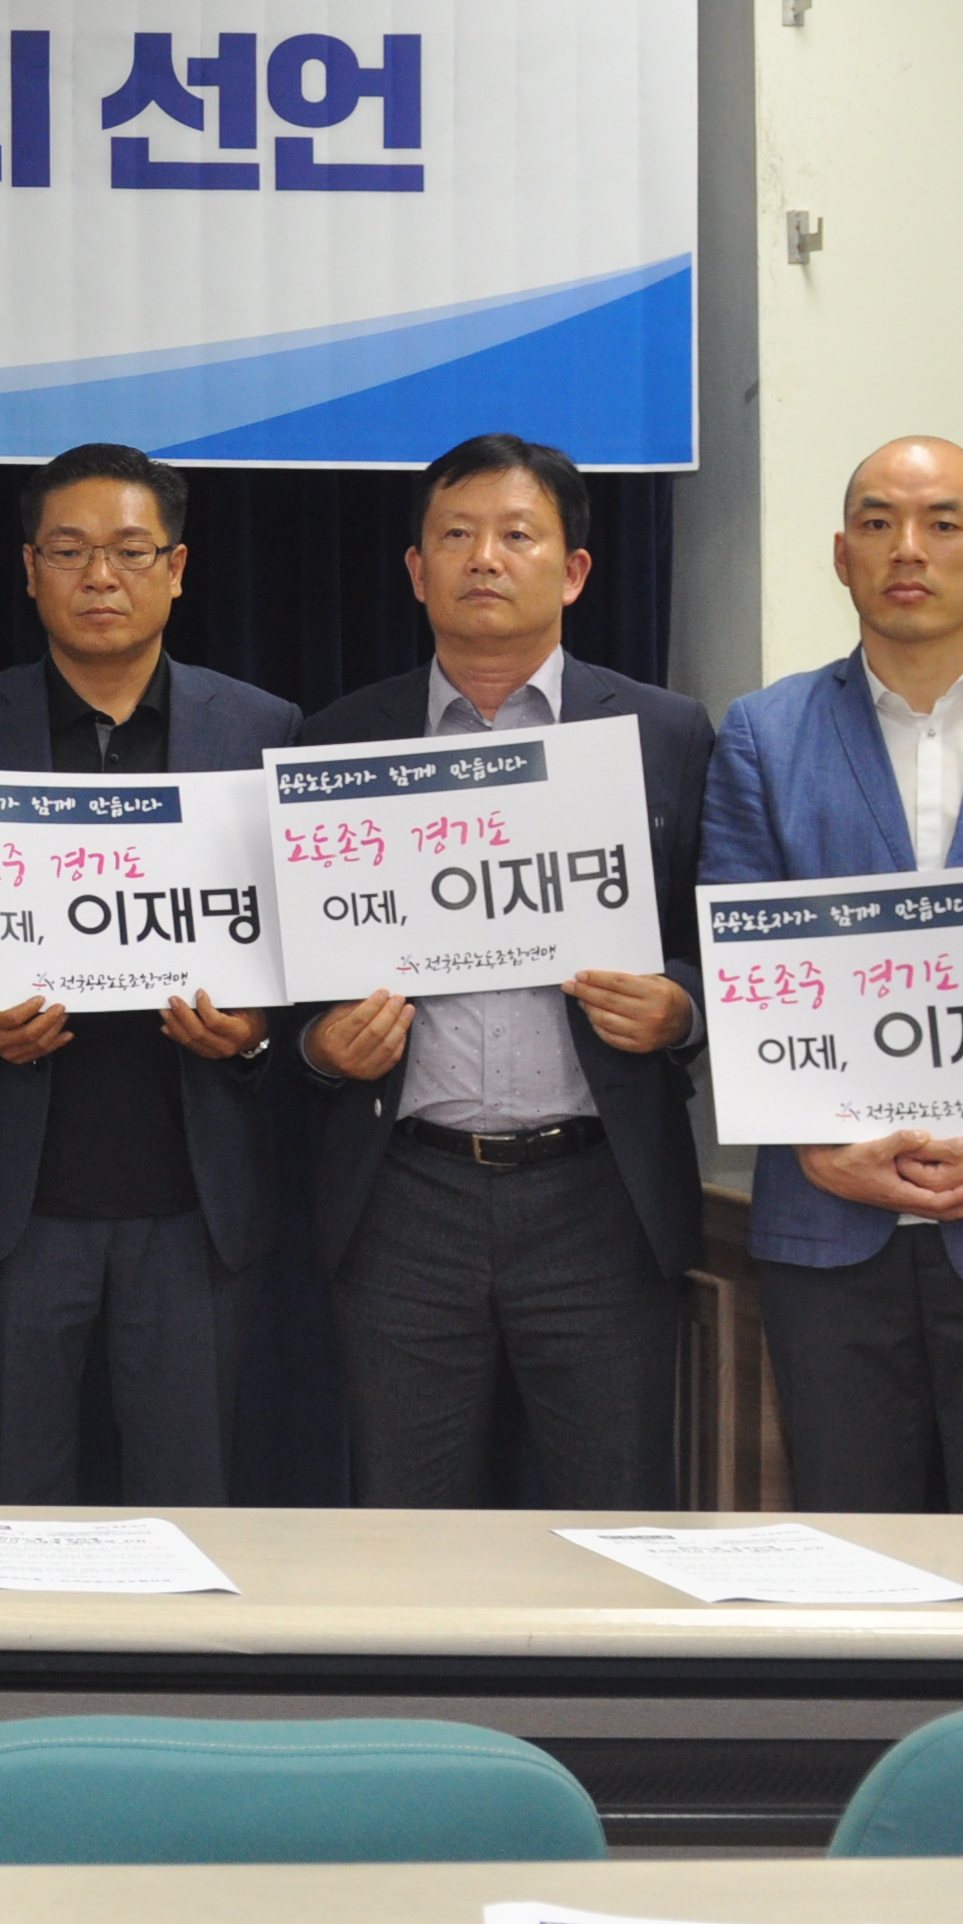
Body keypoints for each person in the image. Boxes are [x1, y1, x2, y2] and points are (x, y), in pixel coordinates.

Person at [702, 436, 963, 1512]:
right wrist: (822, 1150)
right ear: (841, 554)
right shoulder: (763, 734)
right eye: (878, 522)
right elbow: (739, 970)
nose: (909, 548)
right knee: (856, 1562)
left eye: (943, 523)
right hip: (829, 1232)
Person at [293, 432, 710, 1507]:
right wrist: (319, 1045)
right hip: (403, 1194)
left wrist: (678, 1008)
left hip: (598, 1193)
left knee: (615, 1514)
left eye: (517, 534)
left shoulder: (664, 733)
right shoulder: (335, 741)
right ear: (415, 569)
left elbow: (714, 944)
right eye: (456, 535)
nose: (485, 557)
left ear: (573, 570)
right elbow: (288, 970)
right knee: (405, 1524)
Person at [0, 443, 299, 1503]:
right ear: (29, 570)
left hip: (194, 1204)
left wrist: (255, 1032)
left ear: (177, 568)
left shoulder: (262, 732)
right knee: (14, 1504)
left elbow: (309, 945)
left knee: (190, 1506)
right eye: (69, 550)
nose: (99, 575)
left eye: (130, 550)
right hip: (13, 1202)